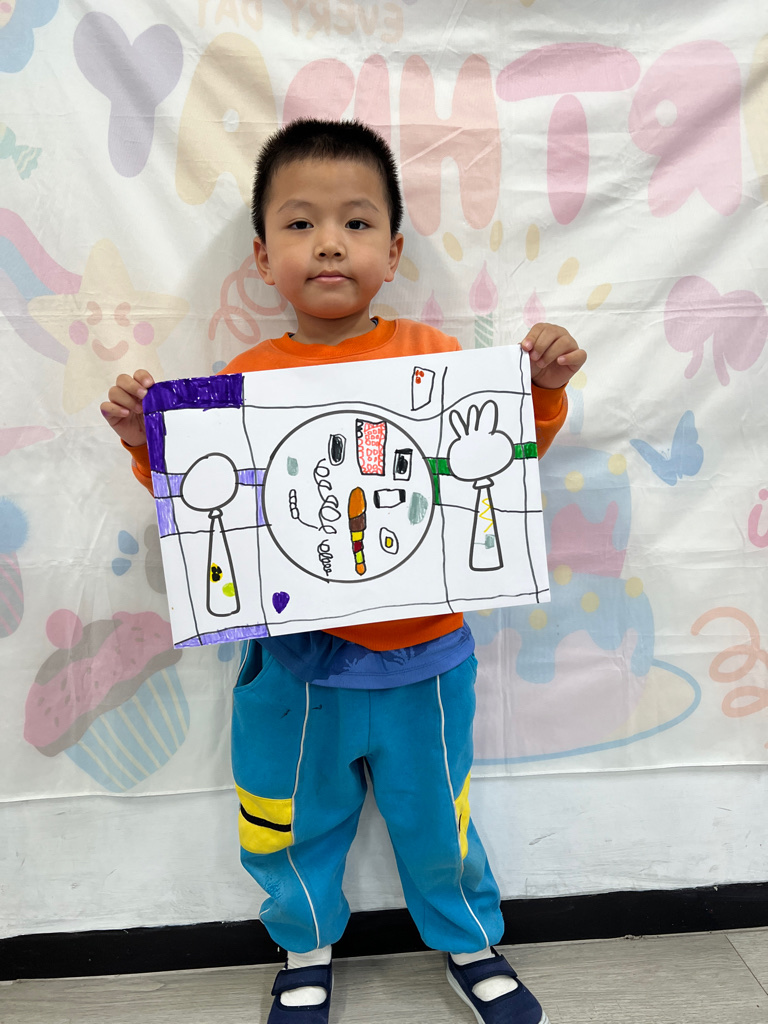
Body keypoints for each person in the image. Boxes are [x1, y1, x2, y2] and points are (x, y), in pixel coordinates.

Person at [102, 119, 586, 1024]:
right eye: (300, 223)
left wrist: (542, 391)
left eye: (357, 223)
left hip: (427, 659)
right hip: (295, 665)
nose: (329, 242)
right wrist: (148, 444)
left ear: (394, 251)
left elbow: (495, 459)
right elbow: (210, 505)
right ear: (262, 257)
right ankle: (305, 947)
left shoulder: (436, 359)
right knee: (286, 820)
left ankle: (470, 941)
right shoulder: (242, 380)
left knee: (438, 818)